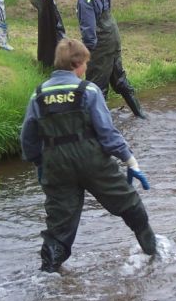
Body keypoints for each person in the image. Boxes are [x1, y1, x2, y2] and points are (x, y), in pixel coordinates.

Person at [20, 38, 157, 273]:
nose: (86, 68)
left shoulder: (39, 95)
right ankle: (153, 253)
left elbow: (28, 136)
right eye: (85, 63)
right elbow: (107, 133)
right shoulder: (89, 91)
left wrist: (39, 162)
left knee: (59, 224)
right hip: (92, 161)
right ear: (76, 64)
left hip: (56, 165)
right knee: (129, 203)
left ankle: (49, 274)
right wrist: (130, 161)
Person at [43, 0, 146, 118]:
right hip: (113, 36)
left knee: (96, 88)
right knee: (119, 80)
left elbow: (89, 34)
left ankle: (99, 128)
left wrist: (83, 57)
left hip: (100, 43)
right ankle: (141, 115)